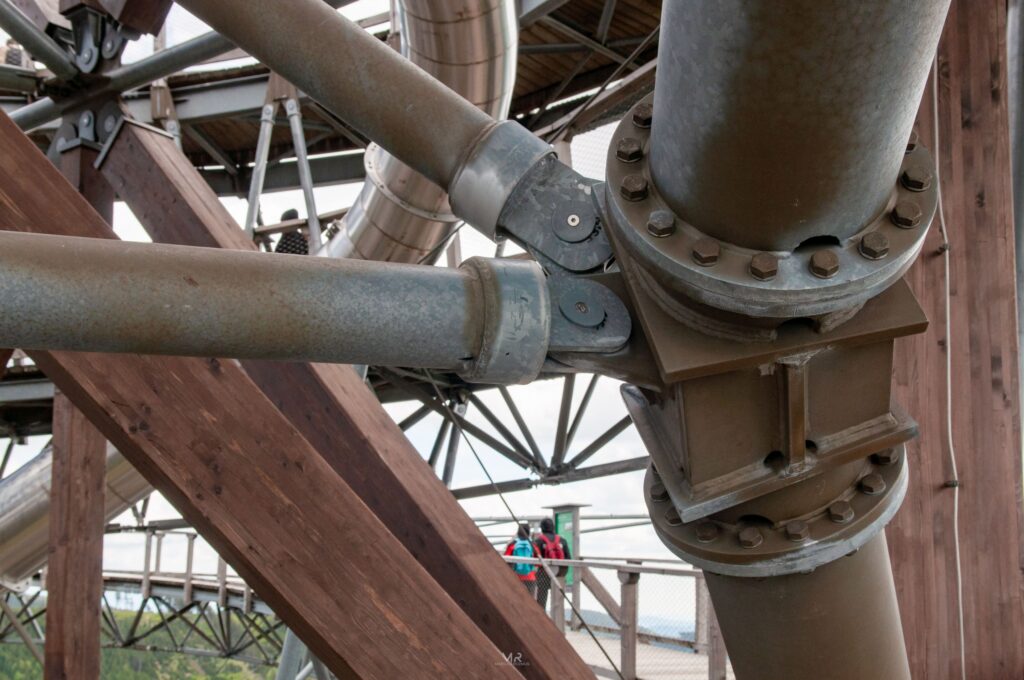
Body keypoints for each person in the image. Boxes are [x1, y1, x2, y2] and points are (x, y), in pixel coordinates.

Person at [534, 517, 570, 610]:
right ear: (553, 527)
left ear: (542, 528)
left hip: (544, 574)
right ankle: (556, 620)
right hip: (559, 575)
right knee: (558, 600)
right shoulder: (562, 540)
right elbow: (568, 558)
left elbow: (534, 558)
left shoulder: (539, 541)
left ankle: (541, 617)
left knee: (542, 600)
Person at [503, 523, 538, 596]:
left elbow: (505, 560)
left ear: (518, 532)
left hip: (515, 577)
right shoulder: (533, 545)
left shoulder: (512, 544)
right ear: (528, 532)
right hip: (530, 577)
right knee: (530, 600)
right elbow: (538, 561)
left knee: (514, 598)